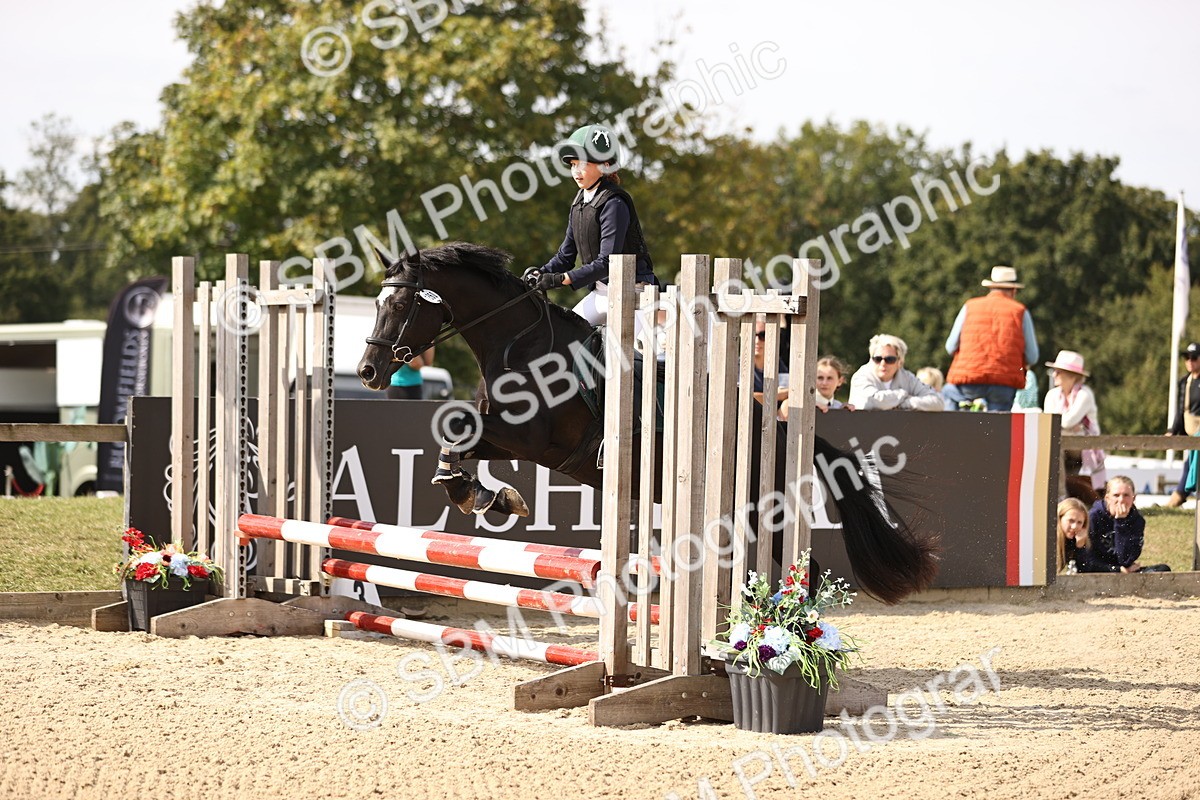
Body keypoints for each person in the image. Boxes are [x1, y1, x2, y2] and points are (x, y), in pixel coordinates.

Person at [525, 124, 659, 325]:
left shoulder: (614, 203)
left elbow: (607, 262)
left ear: (605, 166)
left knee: (639, 354)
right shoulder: (580, 201)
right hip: (601, 293)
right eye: (573, 165)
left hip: (634, 293)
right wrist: (541, 273)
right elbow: (565, 256)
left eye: (583, 164)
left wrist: (561, 279)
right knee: (566, 337)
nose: (576, 171)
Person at [944, 266, 1039, 412]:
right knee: (995, 431)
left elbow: (950, 346)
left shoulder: (969, 306)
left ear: (991, 288)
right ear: (1013, 291)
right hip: (1004, 383)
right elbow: (1033, 357)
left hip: (969, 381)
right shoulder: (1020, 312)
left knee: (950, 399)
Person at [1043, 350, 1106, 491]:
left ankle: (1060, 496)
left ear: (1072, 376)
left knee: (1055, 444)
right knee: (1053, 444)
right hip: (1065, 442)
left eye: (1058, 372)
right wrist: (1070, 426)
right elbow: (1049, 423)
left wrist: (1066, 424)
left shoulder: (1085, 394)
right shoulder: (1052, 395)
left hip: (1084, 446)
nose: (1054, 375)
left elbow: (1065, 422)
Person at [848, 334, 944, 412]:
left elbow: (938, 402)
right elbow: (876, 401)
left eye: (889, 359)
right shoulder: (860, 377)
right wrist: (902, 394)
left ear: (900, 362)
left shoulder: (908, 378)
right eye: (877, 359)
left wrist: (907, 403)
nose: (883, 363)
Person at [1165, 341, 1200, 507]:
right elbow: (1181, 410)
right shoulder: (1184, 382)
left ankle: (1177, 497)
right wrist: (1173, 430)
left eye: (1194, 357)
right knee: (1190, 464)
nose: (1190, 361)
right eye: (1187, 357)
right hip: (1191, 434)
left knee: (1190, 466)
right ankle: (1178, 496)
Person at [1056, 497, 1109, 573]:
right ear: (1060, 518)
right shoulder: (1050, 541)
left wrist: (1080, 547)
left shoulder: (1078, 540)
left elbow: (1085, 570)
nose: (1074, 527)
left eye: (1079, 522)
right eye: (1071, 521)